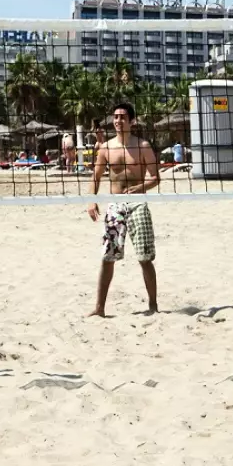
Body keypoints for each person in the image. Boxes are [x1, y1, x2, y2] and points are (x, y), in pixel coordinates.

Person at [86, 103, 160, 317]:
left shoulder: (143, 146)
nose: (118, 121)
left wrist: (140, 187)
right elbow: (95, 177)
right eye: (115, 117)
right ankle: (99, 308)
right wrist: (91, 200)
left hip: (138, 204)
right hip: (115, 204)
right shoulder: (106, 148)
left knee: (145, 257)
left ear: (132, 121)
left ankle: (153, 305)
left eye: (122, 117)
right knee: (107, 256)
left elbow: (156, 177)